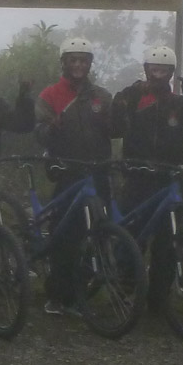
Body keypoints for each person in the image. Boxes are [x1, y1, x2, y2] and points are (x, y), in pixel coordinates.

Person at [30, 35, 113, 314]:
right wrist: (51, 129)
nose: (78, 65)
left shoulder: (102, 96)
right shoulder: (50, 95)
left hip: (98, 172)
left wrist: (119, 117)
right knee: (65, 237)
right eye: (73, 60)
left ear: (89, 64)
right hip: (68, 173)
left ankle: (83, 290)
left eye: (83, 60)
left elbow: (116, 130)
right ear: (64, 63)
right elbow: (39, 132)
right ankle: (59, 296)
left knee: (99, 232)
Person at [107, 44, 183, 218]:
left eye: (164, 71)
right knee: (132, 233)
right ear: (146, 70)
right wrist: (131, 93)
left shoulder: (177, 102)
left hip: (170, 176)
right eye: (155, 70)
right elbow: (114, 125)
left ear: (171, 73)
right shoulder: (134, 98)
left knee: (168, 235)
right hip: (137, 176)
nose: (159, 76)